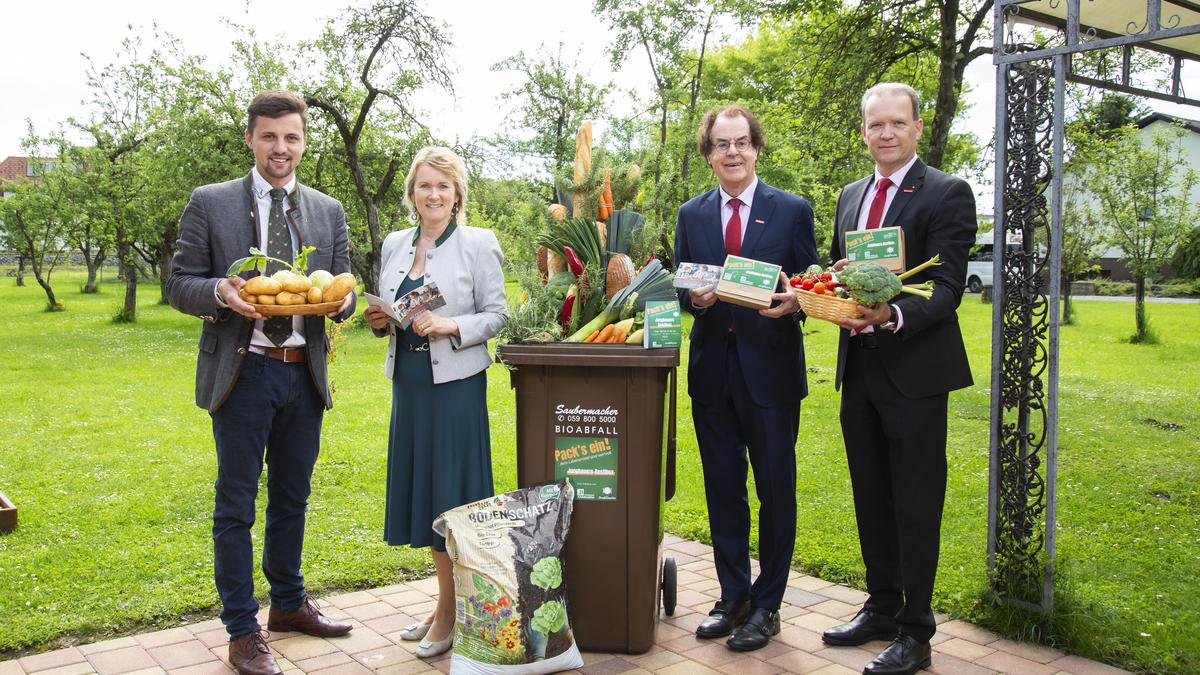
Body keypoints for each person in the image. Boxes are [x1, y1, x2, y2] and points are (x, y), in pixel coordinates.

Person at [166, 90, 356, 675]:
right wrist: (220, 293)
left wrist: (342, 304)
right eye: (270, 136)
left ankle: (291, 605)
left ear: (304, 142)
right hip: (244, 373)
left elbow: (345, 295)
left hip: (303, 376)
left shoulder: (327, 211)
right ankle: (243, 629)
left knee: (293, 499)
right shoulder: (211, 202)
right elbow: (179, 283)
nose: (281, 148)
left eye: (292, 137)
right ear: (250, 138)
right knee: (236, 504)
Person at [820, 83, 976, 675]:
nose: (885, 134)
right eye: (875, 124)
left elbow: (948, 288)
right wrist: (825, 286)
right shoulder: (850, 195)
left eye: (896, 123)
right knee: (871, 497)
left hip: (914, 375)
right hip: (858, 373)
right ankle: (882, 606)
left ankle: (916, 631)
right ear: (863, 130)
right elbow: (846, 274)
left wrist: (893, 314)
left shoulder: (946, 192)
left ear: (915, 127)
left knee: (915, 502)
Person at [674, 104, 819, 652]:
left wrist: (795, 304)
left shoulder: (791, 210)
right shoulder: (692, 214)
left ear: (756, 147)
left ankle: (767, 604)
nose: (732, 152)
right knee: (723, 491)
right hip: (713, 373)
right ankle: (732, 594)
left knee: (775, 490)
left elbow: (810, 281)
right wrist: (696, 300)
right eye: (720, 144)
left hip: (771, 374)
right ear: (708, 154)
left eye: (741, 142)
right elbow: (686, 286)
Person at [364, 146, 507, 659]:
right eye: (425, 185)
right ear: (412, 192)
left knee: (451, 496)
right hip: (410, 384)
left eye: (443, 186)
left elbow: (497, 314)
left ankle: (451, 614)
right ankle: (442, 602)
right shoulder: (395, 243)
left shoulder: (478, 243)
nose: (434, 194)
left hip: (454, 389)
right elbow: (395, 309)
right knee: (426, 495)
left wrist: (452, 325)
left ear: (457, 193)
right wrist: (380, 319)